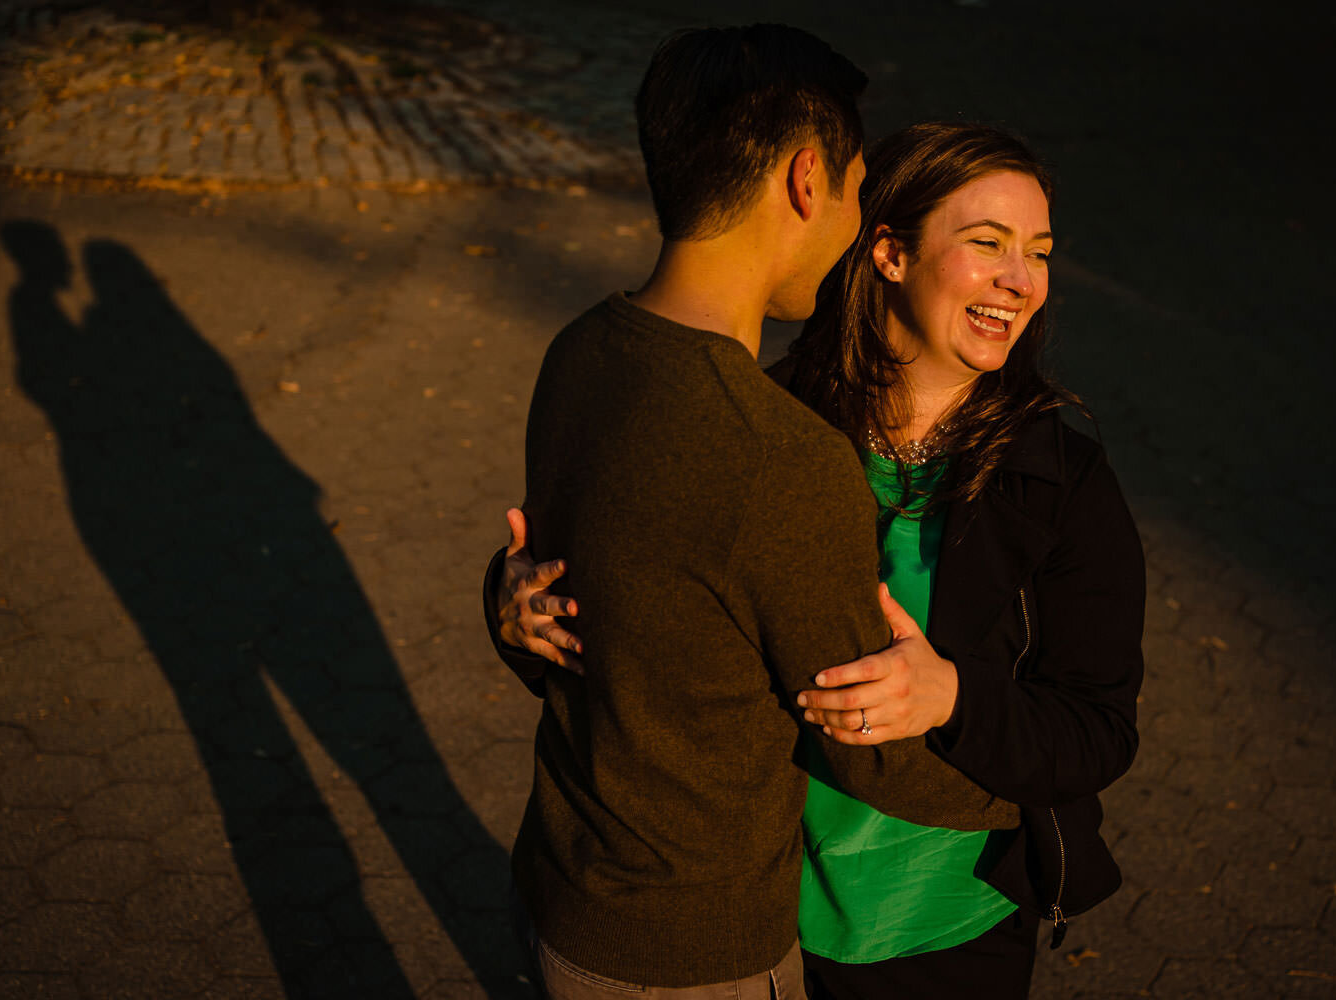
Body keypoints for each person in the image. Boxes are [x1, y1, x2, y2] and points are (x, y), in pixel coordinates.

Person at [489, 121, 1145, 999]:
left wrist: (957, 697)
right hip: (763, 924)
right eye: (987, 245)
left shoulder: (1061, 481)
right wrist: (517, 612)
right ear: (889, 253)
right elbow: (648, 631)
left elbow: (1098, 728)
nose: (1021, 282)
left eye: (1039, 251)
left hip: (952, 932)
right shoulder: (767, 429)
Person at [495, 26, 971, 999]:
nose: (854, 218)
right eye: (854, 187)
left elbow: (564, 605)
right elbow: (863, 741)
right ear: (806, 180)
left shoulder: (580, 352)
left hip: (559, 892)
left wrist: (499, 607)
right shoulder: (781, 458)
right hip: (689, 955)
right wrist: (1041, 787)